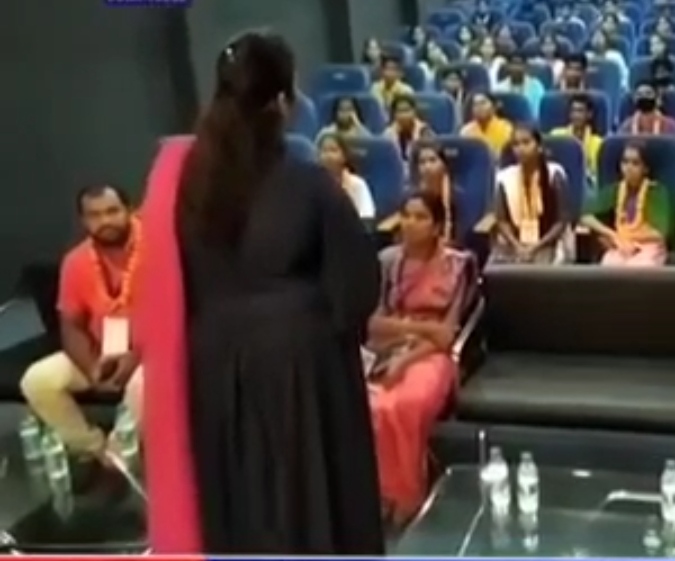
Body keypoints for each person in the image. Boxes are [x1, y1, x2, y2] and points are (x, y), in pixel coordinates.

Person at [138, 30, 383, 553]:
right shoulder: (309, 183)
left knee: (240, 511)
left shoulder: (181, 185)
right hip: (301, 377)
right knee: (312, 511)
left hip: (213, 373)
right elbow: (357, 289)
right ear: (282, 103)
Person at [366, 190, 475, 526]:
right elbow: (372, 324)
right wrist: (415, 329)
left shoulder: (458, 265)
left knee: (402, 405)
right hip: (385, 350)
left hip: (433, 357)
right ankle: (379, 494)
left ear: (437, 226)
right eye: (406, 215)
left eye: (421, 217)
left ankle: (406, 496)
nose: (410, 223)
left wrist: (408, 356)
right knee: (371, 406)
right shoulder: (387, 262)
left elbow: (446, 336)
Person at [21, 185, 145, 475]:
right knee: (38, 380)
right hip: (100, 350)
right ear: (83, 221)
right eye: (95, 215)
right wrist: (91, 368)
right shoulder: (76, 262)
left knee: (142, 384)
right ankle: (94, 449)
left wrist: (135, 357)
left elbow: (173, 320)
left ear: (129, 210)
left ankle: (120, 450)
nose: (105, 221)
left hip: (151, 352)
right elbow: (71, 324)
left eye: (112, 211)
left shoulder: (159, 249)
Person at [582, 143, 675, 266]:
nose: (628, 167)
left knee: (637, 268)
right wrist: (613, 235)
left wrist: (628, 238)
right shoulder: (616, 190)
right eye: (625, 162)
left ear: (645, 168)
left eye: (635, 163)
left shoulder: (656, 192)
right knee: (608, 264)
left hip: (649, 247)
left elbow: (659, 234)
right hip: (622, 245)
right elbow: (584, 216)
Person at [491, 125, 573, 264]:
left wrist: (534, 248)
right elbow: (502, 220)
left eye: (526, 142)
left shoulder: (554, 174)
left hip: (548, 243)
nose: (520, 149)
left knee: (539, 268)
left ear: (539, 147)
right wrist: (517, 246)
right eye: (516, 144)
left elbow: (561, 221)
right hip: (514, 245)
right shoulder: (504, 178)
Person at [408, 142, 467, 245]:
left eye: (432, 160)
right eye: (422, 162)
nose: (427, 166)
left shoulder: (457, 196)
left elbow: (462, 234)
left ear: (444, 165)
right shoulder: (412, 197)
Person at [317, 133, 376, 219]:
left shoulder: (357, 185)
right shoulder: (314, 185)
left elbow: (366, 217)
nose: (328, 156)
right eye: (324, 151)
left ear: (344, 156)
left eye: (333, 150)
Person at [550, 94, 602, 179]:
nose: (576, 115)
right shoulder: (556, 136)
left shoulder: (598, 143)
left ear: (589, 114)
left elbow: (596, 175)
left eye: (580, 111)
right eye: (573, 111)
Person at [461, 91, 514, 156]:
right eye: (475, 104)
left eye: (483, 103)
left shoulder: (506, 128)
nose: (479, 107)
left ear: (494, 107)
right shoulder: (466, 131)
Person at [494, 51, 545, 118]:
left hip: (530, 122)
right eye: (513, 64)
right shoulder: (499, 88)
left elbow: (538, 112)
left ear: (526, 67)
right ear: (507, 67)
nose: (516, 68)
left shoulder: (536, 85)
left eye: (520, 64)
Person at [382, 95, 434, 160]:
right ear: (394, 114)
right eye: (400, 111)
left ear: (414, 111)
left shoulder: (425, 131)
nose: (404, 115)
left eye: (407, 110)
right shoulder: (388, 133)